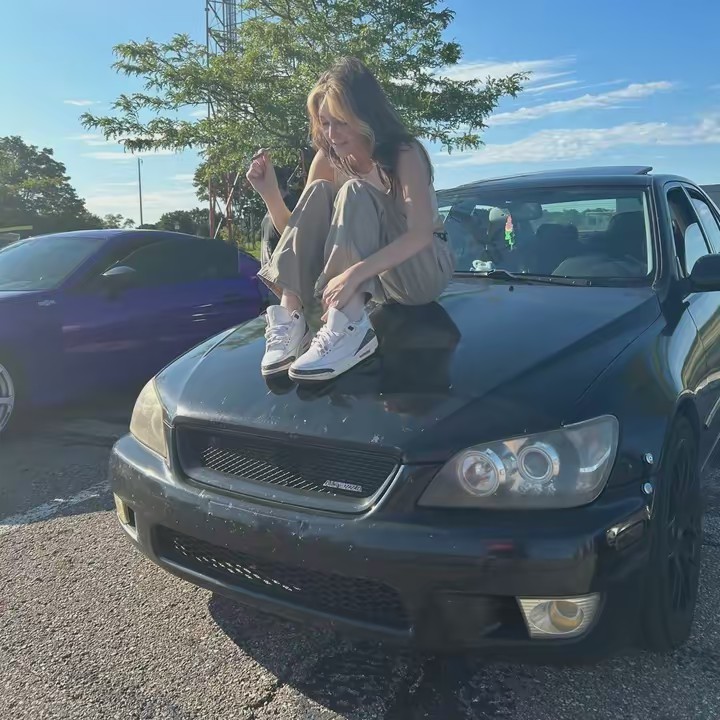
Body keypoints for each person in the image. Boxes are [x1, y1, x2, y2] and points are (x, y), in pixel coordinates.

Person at [246, 56, 454, 382]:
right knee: (318, 191)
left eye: (341, 122)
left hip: (421, 272)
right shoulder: (328, 159)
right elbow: (303, 234)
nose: (332, 134)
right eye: (325, 123)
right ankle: (291, 317)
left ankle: (349, 326)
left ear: (364, 115)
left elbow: (420, 235)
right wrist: (270, 193)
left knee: (355, 189)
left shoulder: (403, 152)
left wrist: (353, 274)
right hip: (377, 282)